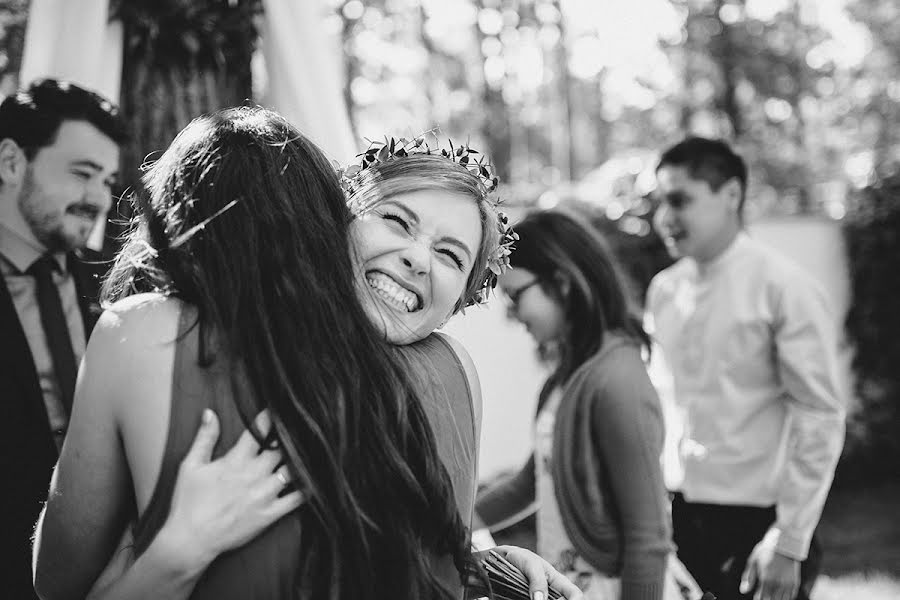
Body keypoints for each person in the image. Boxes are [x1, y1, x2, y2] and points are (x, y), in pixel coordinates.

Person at [32, 112, 580, 600]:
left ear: (460, 300)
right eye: (396, 220)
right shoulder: (190, 341)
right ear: (336, 222)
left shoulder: (451, 375)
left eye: (449, 254)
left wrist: (481, 567)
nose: (416, 258)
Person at [646, 137, 846, 600]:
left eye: (680, 199)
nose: (665, 217)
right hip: (677, 520)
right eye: (661, 202)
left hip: (761, 524)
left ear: (731, 195)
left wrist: (789, 541)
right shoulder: (663, 291)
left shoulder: (785, 287)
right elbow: (656, 406)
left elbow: (820, 416)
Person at [474, 210, 684, 600]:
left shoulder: (617, 380)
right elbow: (531, 482)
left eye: (516, 296)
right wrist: (456, 521)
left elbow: (649, 537)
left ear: (563, 282)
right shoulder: (566, 377)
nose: (512, 313)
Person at [0, 78, 126, 599]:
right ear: (10, 163)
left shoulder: (114, 285)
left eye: (107, 179)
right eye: (81, 174)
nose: (98, 198)